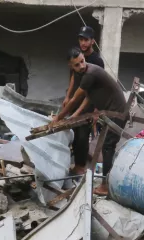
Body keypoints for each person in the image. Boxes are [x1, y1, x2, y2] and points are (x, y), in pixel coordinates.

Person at [52, 48, 128, 194]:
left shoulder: (90, 73)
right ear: (71, 66)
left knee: (108, 146)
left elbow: (75, 100)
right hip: (109, 111)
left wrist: (57, 118)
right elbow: (89, 97)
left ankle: (106, 186)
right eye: (77, 64)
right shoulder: (81, 74)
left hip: (116, 112)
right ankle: (106, 182)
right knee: (106, 146)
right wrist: (74, 116)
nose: (82, 65)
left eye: (82, 61)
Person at [61, 26, 105, 174]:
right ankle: (76, 164)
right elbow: (73, 78)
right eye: (81, 39)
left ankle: (81, 166)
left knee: (82, 135)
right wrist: (68, 96)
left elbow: (99, 87)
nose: (83, 43)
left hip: (89, 101)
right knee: (73, 132)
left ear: (92, 41)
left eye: (86, 39)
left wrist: (96, 110)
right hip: (75, 99)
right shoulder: (76, 56)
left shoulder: (97, 61)